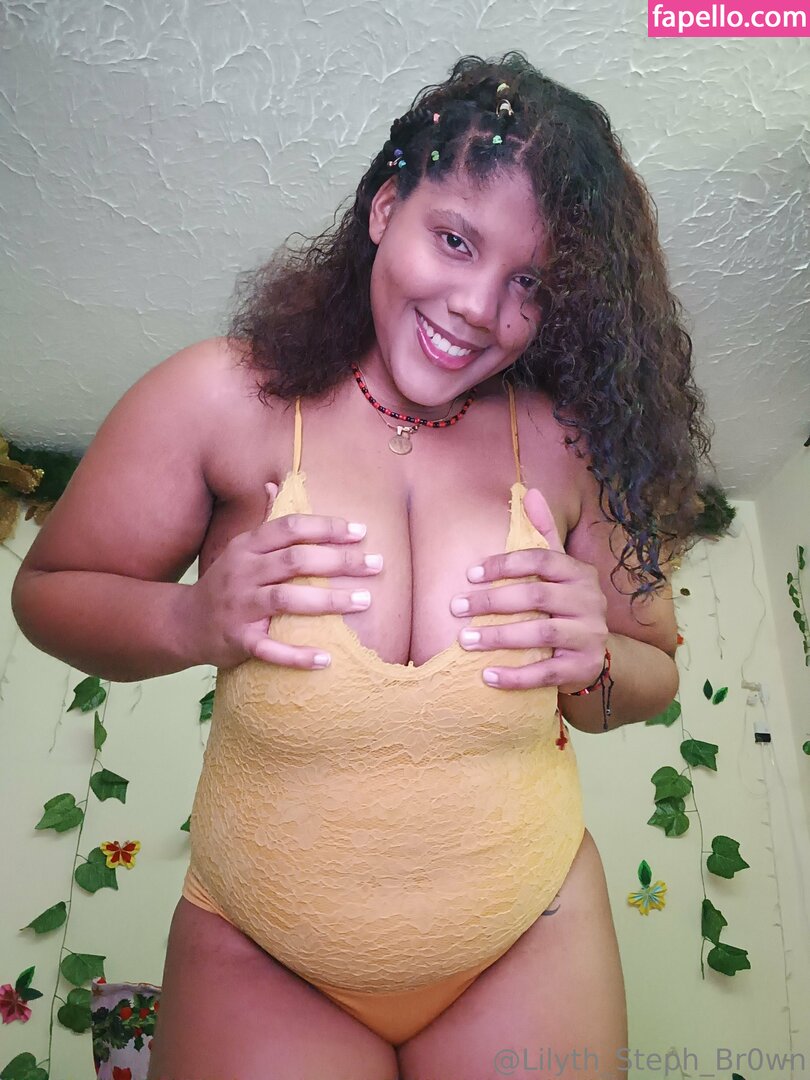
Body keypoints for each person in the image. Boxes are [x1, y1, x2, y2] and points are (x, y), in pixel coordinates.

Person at [12, 52, 711, 1080]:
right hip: (258, 953)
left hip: (531, 936)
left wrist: (596, 658)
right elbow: (46, 594)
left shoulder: (572, 448)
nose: (478, 306)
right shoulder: (224, 399)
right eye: (455, 240)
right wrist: (187, 621)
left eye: (528, 283)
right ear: (386, 208)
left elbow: (654, 670)